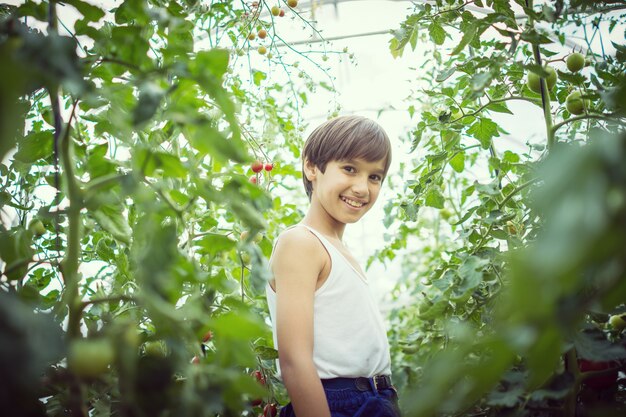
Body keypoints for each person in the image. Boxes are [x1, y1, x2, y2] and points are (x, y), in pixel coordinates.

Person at [265, 115, 401, 417]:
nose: (362, 188)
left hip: (375, 399)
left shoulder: (338, 250)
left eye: (374, 177)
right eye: (349, 169)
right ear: (312, 166)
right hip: (337, 402)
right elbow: (295, 360)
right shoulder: (301, 243)